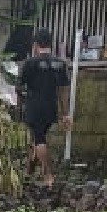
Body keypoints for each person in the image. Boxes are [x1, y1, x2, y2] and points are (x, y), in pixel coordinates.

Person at [16, 38, 72, 184]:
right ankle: (29, 170)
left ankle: (48, 175)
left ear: (35, 45)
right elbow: (64, 90)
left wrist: (21, 101)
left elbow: (19, 87)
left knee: (39, 139)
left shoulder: (29, 63)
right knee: (38, 138)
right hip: (51, 108)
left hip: (34, 107)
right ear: (50, 45)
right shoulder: (60, 64)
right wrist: (65, 113)